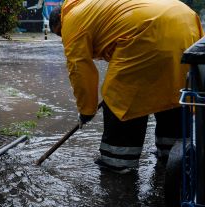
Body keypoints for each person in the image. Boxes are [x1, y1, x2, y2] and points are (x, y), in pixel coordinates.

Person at [49, 0, 204, 174]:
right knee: (173, 91)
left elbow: (79, 69)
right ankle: (173, 156)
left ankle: (118, 162)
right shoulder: (91, 6)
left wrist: (86, 110)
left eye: (60, 35)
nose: (63, 39)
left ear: (59, 23)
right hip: (185, 20)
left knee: (119, 97)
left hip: (148, 29)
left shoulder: (71, 20)